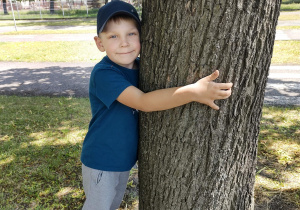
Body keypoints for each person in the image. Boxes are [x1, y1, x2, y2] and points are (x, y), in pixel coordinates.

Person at [80, 1, 233, 209]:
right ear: (100, 43)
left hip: (122, 160)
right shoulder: (105, 74)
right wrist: (194, 92)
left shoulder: (144, 66)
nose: (124, 43)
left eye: (131, 34)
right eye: (113, 36)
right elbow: (144, 102)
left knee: (112, 205)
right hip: (102, 161)